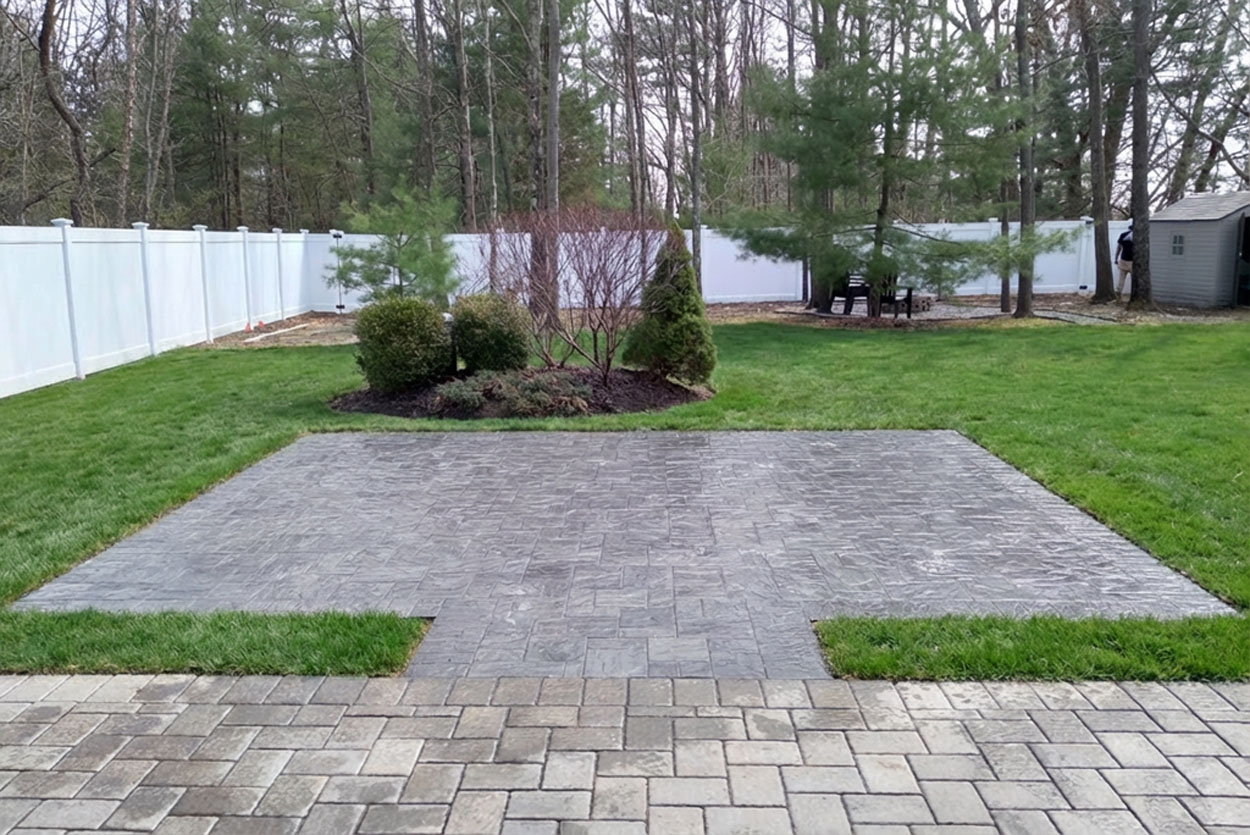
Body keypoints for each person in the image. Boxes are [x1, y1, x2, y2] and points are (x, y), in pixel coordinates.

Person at [1115, 224, 1134, 299]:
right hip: (1133, 261)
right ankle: (1134, 294)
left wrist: (1116, 258)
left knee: (1121, 279)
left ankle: (1118, 294)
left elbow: (1119, 248)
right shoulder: (1138, 236)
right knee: (1134, 280)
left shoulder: (1123, 235)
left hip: (1123, 259)